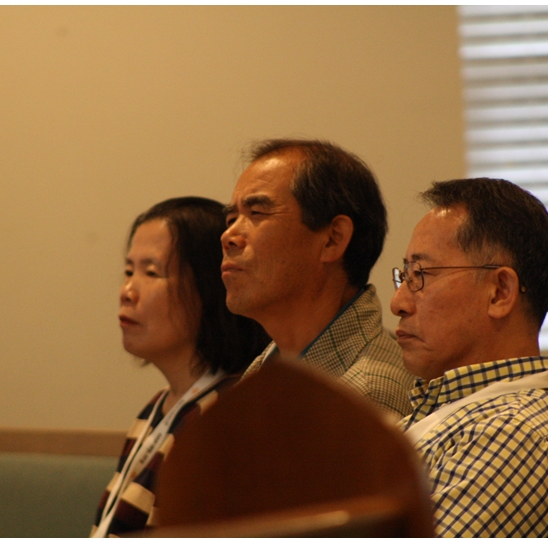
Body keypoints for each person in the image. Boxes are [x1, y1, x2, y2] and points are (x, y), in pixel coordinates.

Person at [390, 177, 548, 537]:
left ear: (499, 292)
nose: (398, 302)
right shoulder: (447, 412)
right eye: (405, 275)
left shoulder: (512, 435)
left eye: (421, 275)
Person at [91, 197, 269, 536]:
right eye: (128, 271)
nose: (127, 291)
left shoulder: (222, 419)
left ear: (209, 288)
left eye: (151, 272)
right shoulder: (155, 408)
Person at [221, 138, 414, 416]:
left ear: (333, 239)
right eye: (231, 219)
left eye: (257, 213)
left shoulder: (363, 399)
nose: (228, 236)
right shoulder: (275, 364)